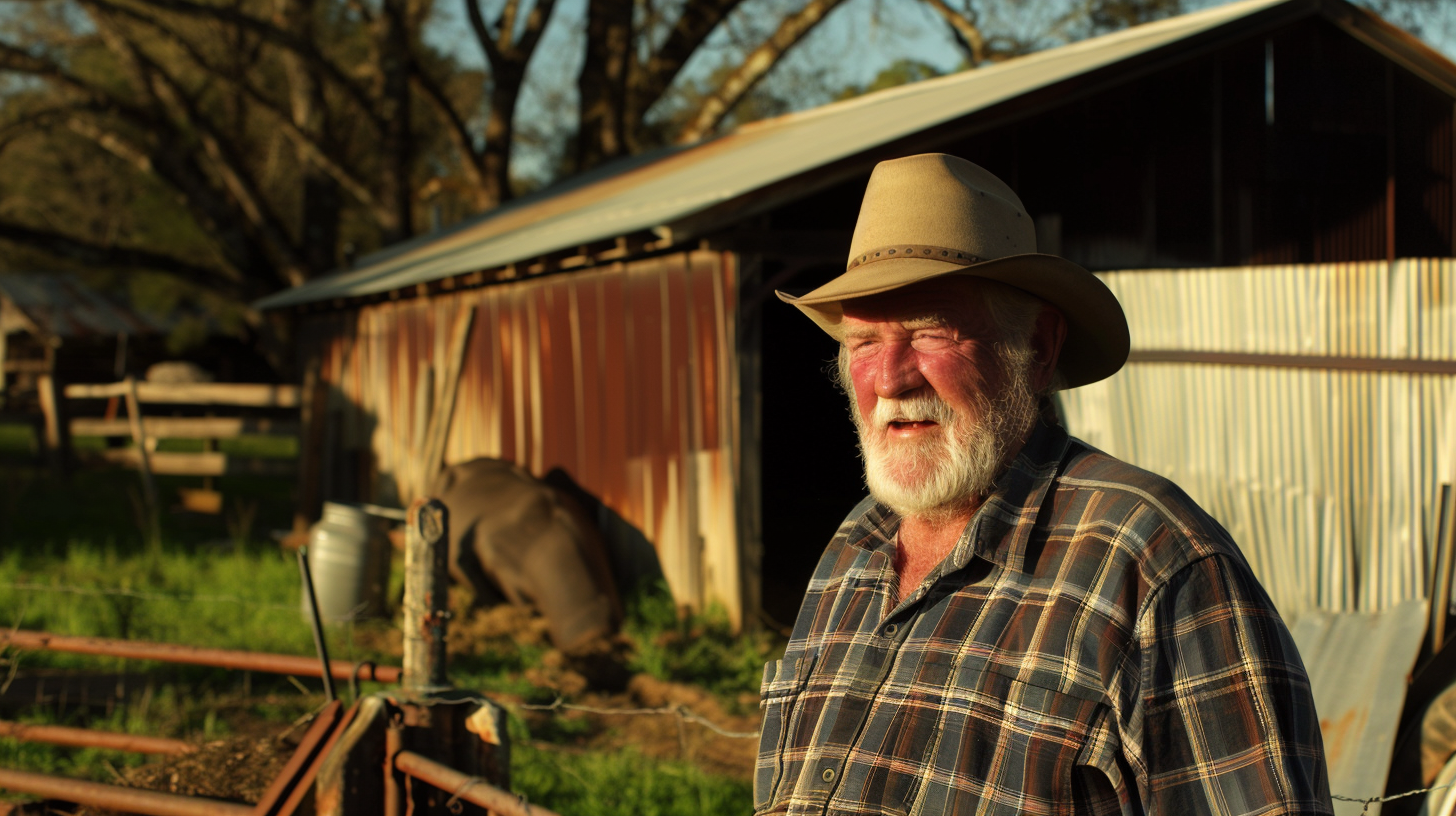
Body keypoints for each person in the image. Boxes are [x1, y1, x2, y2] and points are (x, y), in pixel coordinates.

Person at [758, 154, 1332, 816]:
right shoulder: (851, 551)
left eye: (930, 332)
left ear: (1038, 346)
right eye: (862, 342)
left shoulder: (1152, 564)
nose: (890, 378)